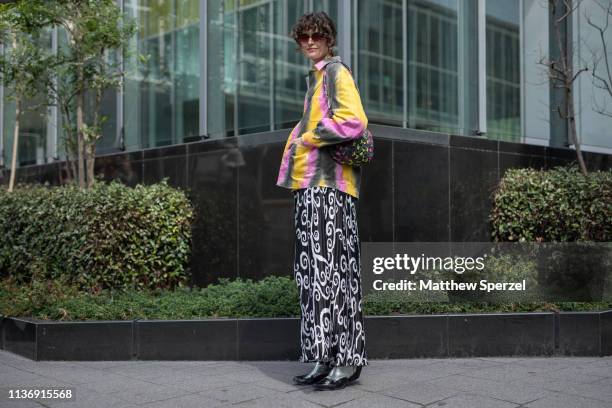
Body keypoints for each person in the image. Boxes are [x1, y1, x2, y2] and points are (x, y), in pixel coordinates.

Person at [276, 11, 368, 391]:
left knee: (334, 276)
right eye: (304, 37)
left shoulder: (335, 73)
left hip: (328, 189)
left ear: (329, 39)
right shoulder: (316, 79)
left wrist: (308, 137)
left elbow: (353, 120)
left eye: (317, 36)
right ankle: (323, 356)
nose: (310, 42)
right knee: (315, 278)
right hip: (311, 188)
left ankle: (345, 360)